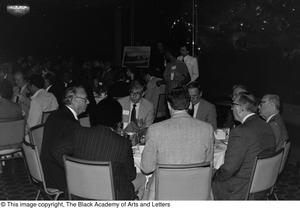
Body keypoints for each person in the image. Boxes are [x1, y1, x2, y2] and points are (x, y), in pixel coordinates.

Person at [141, 87, 214, 200]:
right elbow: (208, 163)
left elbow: (146, 168)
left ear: (169, 106)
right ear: (190, 104)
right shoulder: (207, 129)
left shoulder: (155, 129)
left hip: (163, 192)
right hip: (197, 191)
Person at [212, 93, 276, 200]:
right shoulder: (266, 125)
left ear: (240, 109)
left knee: (206, 180)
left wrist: (214, 174)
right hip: (262, 183)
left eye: (233, 106)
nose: (232, 109)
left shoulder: (240, 132)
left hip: (240, 188)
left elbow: (228, 169)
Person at [40, 86, 89, 192]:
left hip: (46, 171)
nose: (88, 102)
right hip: (58, 177)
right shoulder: (70, 123)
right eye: (85, 99)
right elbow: (60, 153)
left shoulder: (56, 114)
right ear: (73, 100)